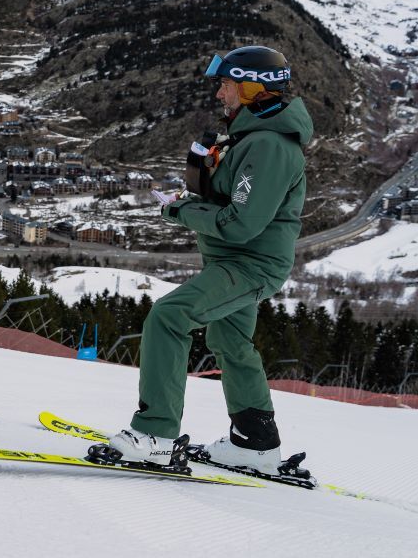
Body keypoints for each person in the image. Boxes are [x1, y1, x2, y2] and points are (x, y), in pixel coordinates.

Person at [105, 45, 312, 473]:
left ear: (253, 88)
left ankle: (156, 434)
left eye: (226, 83)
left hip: (248, 266)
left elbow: (241, 225)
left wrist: (181, 210)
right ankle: (255, 444)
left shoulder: (270, 146)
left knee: (168, 317)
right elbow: (236, 202)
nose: (220, 93)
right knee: (229, 342)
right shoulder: (250, 138)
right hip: (232, 263)